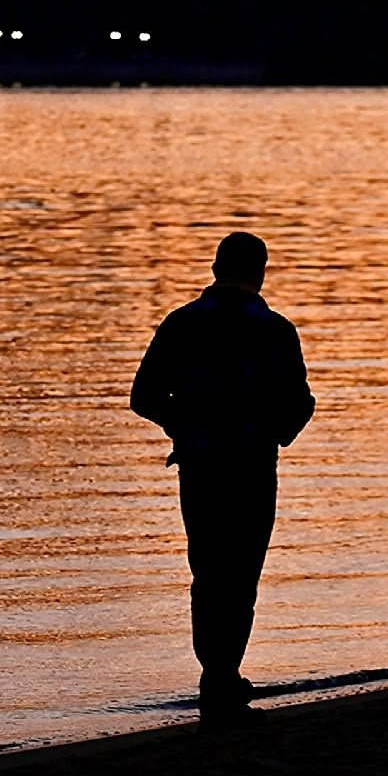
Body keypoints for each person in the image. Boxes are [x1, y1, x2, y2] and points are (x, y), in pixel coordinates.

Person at [131, 231, 315, 718]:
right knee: (242, 571)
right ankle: (223, 672)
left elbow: (143, 397)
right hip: (253, 466)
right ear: (260, 272)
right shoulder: (275, 329)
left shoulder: (182, 324)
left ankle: (216, 672)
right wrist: (275, 431)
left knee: (208, 570)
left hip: (202, 464)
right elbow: (298, 405)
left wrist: (184, 425)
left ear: (215, 269)